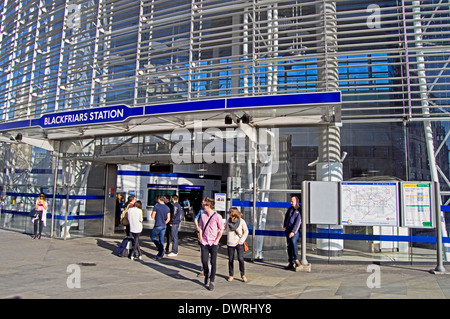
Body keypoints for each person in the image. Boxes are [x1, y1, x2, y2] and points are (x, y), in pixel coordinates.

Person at [198, 197, 224, 291]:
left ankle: (211, 281)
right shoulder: (203, 215)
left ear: (208, 206)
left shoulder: (217, 216)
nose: (202, 206)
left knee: (213, 262)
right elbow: (200, 227)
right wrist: (201, 238)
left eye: (203, 204)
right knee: (204, 261)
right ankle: (206, 272)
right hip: (204, 242)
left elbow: (221, 229)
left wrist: (217, 240)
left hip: (213, 242)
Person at [226, 207, 249, 283]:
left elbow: (246, 231)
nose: (229, 214)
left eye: (230, 212)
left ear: (233, 213)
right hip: (230, 243)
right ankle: (231, 275)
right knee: (230, 259)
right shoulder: (228, 221)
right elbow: (223, 228)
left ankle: (243, 274)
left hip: (239, 243)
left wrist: (241, 241)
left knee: (240, 259)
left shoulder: (241, 221)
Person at [283, 196, 302, 270]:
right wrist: (285, 225)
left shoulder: (299, 211)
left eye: (292, 201)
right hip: (288, 230)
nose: (291, 203)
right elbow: (286, 217)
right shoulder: (290, 209)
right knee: (289, 245)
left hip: (295, 231)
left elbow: (298, 223)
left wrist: (293, 232)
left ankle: (296, 258)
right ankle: (291, 262)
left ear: (297, 201)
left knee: (293, 242)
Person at [151, 195, 171, 260]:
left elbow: (152, 216)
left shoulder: (156, 206)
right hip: (163, 225)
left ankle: (160, 249)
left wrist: (153, 213)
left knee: (153, 237)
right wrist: (164, 223)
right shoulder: (167, 208)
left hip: (157, 224)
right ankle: (161, 253)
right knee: (161, 239)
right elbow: (168, 218)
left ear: (159, 199)